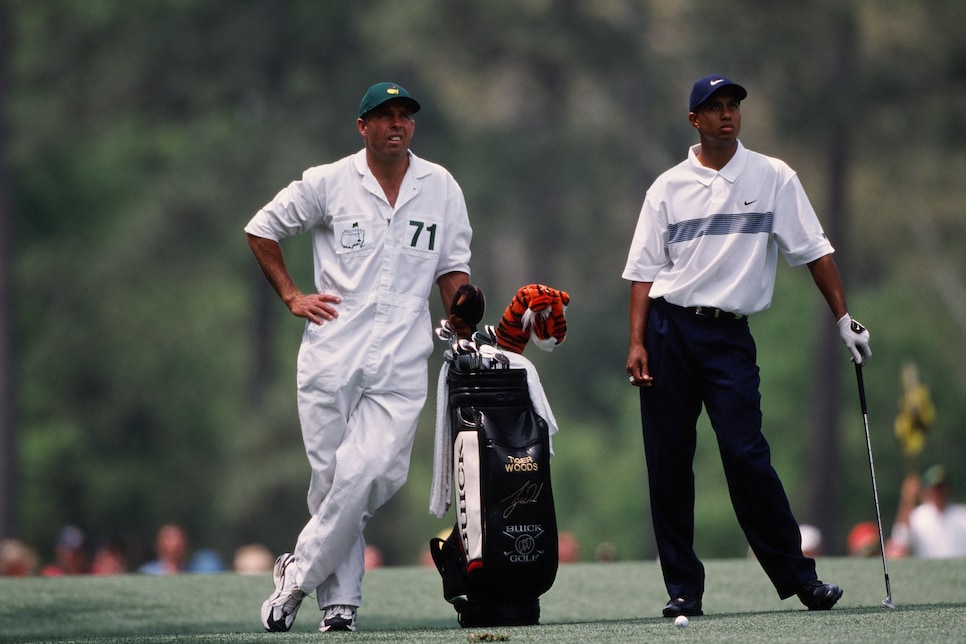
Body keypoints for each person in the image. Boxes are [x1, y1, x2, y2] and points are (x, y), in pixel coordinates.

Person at [623, 74, 872, 618]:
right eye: (714, 108)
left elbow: (814, 250)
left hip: (728, 336)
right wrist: (637, 342)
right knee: (668, 463)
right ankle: (683, 589)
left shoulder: (773, 176)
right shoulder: (666, 187)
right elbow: (643, 273)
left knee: (746, 454)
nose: (727, 115)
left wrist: (843, 317)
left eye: (733, 106)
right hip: (669, 330)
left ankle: (800, 579)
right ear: (695, 120)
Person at [246, 81, 473, 633]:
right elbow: (262, 228)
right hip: (332, 351)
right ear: (363, 126)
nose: (397, 124)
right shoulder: (329, 182)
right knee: (332, 481)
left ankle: (296, 572)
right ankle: (340, 607)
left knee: (375, 471)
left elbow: (453, 268)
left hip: (402, 354)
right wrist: (292, 295)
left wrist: (464, 320)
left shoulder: (440, 186)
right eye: (385, 116)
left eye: (405, 116)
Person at [888, 465, 966, 558]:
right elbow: (900, 540)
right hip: (928, 570)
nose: (938, 493)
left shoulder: (962, 515)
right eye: (934, 489)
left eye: (941, 488)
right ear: (927, 490)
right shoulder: (918, 516)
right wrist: (908, 501)